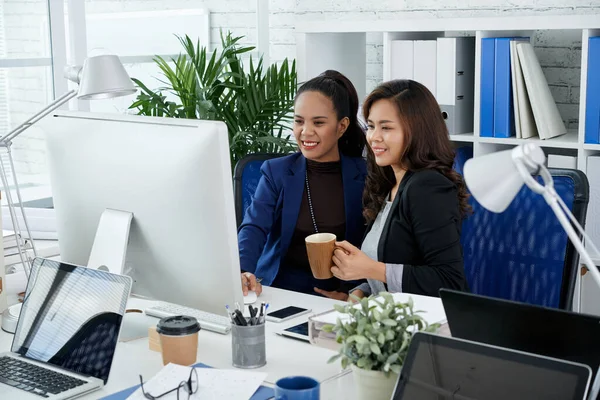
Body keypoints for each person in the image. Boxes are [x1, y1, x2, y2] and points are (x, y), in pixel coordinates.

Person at [331, 79, 470, 299]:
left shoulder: (427, 186)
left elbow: (448, 281)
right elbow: (399, 264)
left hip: (426, 326)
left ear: (416, 131)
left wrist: (370, 269)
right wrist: (361, 291)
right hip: (389, 319)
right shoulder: (390, 182)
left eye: (386, 127)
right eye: (371, 126)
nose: (374, 137)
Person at [238, 70, 367, 298]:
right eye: (299, 121)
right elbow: (254, 227)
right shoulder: (276, 171)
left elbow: (376, 245)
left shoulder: (367, 174)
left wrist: (358, 293)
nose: (305, 132)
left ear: (342, 126)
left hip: (343, 296)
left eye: (318, 122)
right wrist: (240, 270)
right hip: (279, 291)